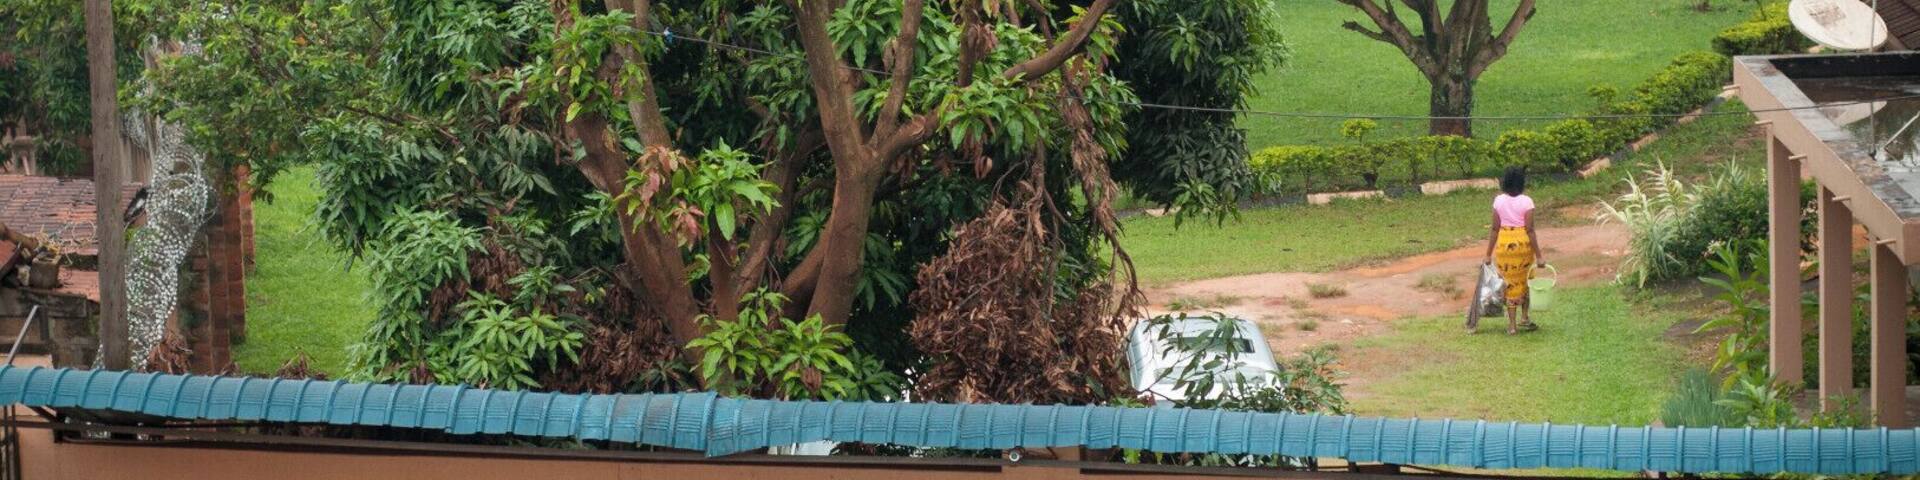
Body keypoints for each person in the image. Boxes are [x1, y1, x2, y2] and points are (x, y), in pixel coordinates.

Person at [1480, 166, 1545, 335]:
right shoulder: (1527, 201)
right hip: (1523, 246)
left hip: (1504, 246)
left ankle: (1512, 326)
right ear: (1522, 182)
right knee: (1525, 281)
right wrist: (1539, 256)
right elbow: (1530, 230)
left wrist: (1488, 254)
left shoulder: (1498, 201)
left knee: (1509, 284)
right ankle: (1525, 318)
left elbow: (1494, 229)